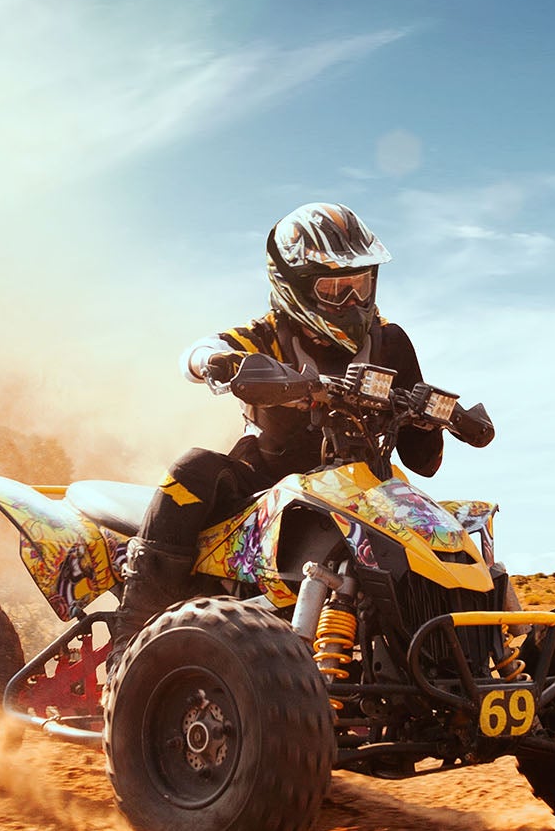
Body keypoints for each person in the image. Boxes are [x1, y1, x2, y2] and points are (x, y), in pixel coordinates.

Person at [112, 202, 445, 649]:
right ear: (295, 288)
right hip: (263, 485)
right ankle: (131, 642)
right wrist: (216, 361)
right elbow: (196, 353)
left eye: (359, 284)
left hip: (364, 494)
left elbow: (425, 463)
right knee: (190, 471)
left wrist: (427, 420)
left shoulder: (392, 343)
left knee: (449, 529)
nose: (352, 301)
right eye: (334, 288)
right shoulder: (266, 334)